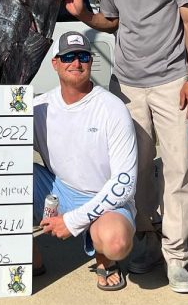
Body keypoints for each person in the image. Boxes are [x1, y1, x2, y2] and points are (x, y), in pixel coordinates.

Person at [64, 0, 188, 294]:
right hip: (127, 86)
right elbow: (111, 22)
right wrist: (82, 14)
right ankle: (145, 240)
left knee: (180, 167)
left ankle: (177, 257)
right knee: (134, 170)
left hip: (173, 81)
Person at [33, 31, 137, 291]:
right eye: (68, 56)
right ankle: (29, 256)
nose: (76, 63)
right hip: (57, 188)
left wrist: (72, 220)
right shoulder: (39, 106)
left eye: (83, 56)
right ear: (55, 63)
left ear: (91, 61)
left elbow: (124, 185)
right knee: (4, 176)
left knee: (116, 241)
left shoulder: (113, 108)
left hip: (103, 197)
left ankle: (105, 258)